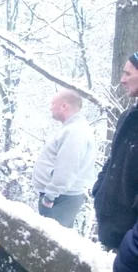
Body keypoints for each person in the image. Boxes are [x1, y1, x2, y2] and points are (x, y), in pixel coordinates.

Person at [30, 89, 96, 228]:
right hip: (60, 196)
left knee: (46, 243)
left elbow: (67, 168)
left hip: (60, 198)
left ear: (64, 106)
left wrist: (50, 196)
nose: (50, 107)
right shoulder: (72, 129)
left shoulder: (75, 132)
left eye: (53, 103)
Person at [93, 52, 138, 251]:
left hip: (130, 241)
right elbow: (113, 160)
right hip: (109, 231)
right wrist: (99, 190)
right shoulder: (128, 116)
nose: (122, 80)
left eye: (128, 74)